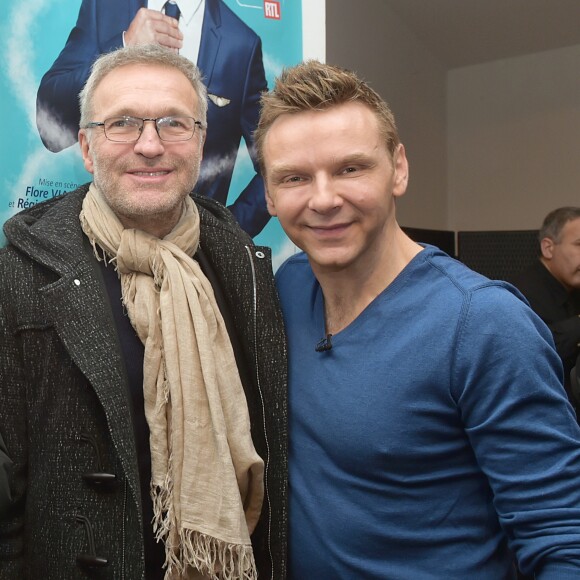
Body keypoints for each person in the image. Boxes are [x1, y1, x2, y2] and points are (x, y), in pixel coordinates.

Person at [254, 60, 580, 579]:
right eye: (294, 178)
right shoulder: (286, 290)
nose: (323, 199)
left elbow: (562, 537)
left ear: (399, 169)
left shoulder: (483, 324)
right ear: (270, 196)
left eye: (350, 169)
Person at [0, 44, 287, 579]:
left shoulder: (244, 266)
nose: (150, 145)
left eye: (174, 123)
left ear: (201, 143)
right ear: (86, 147)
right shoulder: (20, 272)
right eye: (123, 123)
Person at [36, 0, 270, 237]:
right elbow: (50, 128)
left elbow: (274, 162)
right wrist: (123, 46)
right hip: (97, 244)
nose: (150, 147)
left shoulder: (242, 44)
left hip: (196, 263)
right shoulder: (104, 7)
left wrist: (227, 234)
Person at [511, 207, 580, 407]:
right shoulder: (519, 294)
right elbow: (535, 353)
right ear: (548, 248)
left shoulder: (572, 288)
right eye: (579, 244)